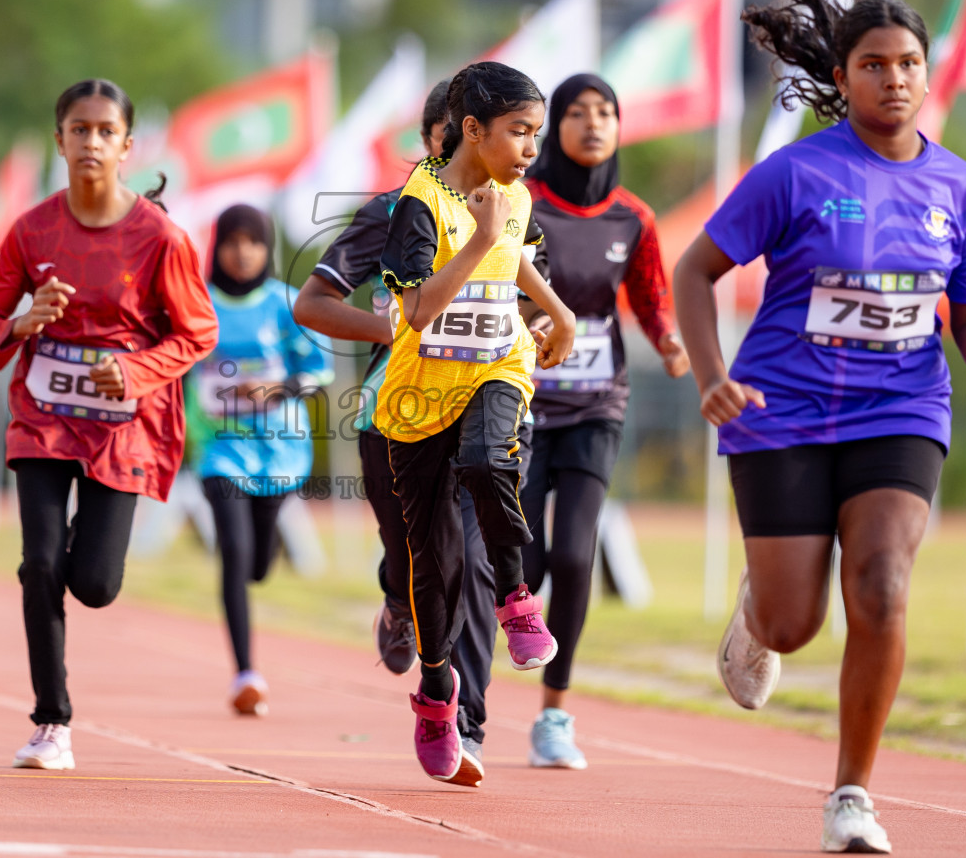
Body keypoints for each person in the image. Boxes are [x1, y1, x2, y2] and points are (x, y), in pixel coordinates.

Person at [673, 0, 966, 854]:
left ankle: (851, 795)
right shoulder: (796, 174)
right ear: (842, 77)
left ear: (927, 73)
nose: (895, 79)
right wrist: (711, 377)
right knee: (795, 626)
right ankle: (759, 610)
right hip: (781, 411)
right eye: (874, 65)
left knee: (881, 583)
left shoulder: (960, 186)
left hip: (901, 407)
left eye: (909, 64)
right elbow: (695, 272)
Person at [0, 78, 217, 771]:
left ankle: (86, 548)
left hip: (123, 427)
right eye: (79, 129)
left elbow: (197, 333)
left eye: (106, 131)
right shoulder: (31, 230)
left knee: (96, 585)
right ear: (60, 141)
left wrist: (132, 372)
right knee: (39, 563)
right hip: (43, 419)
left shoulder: (160, 237)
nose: (92, 142)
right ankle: (52, 722)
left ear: (128, 147)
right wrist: (23, 322)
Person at [294, 80, 517, 783]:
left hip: (477, 405)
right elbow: (313, 302)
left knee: (473, 568)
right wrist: (388, 324)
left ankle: (467, 722)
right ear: (438, 140)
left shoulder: (507, 211)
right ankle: (397, 594)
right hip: (397, 417)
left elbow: (525, 292)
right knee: (419, 561)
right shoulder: (395, 212)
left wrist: (540, 323)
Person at [376, 60, 576, 785]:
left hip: (497, 367)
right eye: (519, 132)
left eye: (536, 134)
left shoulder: (515, 198)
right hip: (417, 394)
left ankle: (518, 598)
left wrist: (559, 311)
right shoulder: (419, 202)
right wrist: (477, 240)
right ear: (471, 129)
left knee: (491, 462)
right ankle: (435, 694)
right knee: (435, 565)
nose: (530, 149)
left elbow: (517, 261)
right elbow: (419, 310)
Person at [520, 73, 690, 769]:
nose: (594, 124)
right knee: (521, 561)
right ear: (554, 126)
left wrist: (672, 342)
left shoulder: (634, 219)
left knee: (575, 553)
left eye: (607, 113)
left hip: (596, 406)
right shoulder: (521, 205)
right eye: (578, 113)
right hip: (520, 406)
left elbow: (651, 300)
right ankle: (465, 692)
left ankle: (554, 715)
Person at [191, 204, 332, 717]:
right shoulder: (198, 304)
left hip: (281, 452)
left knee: (256, 565)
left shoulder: (287, 304)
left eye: (253, 241)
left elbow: (320, 372)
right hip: (219, 448)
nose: (242, 251)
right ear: (218, 247)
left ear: (267, 248)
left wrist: (278, 388)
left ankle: (262, 550)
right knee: (233, 551)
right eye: (232, 240)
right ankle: (245, 673)